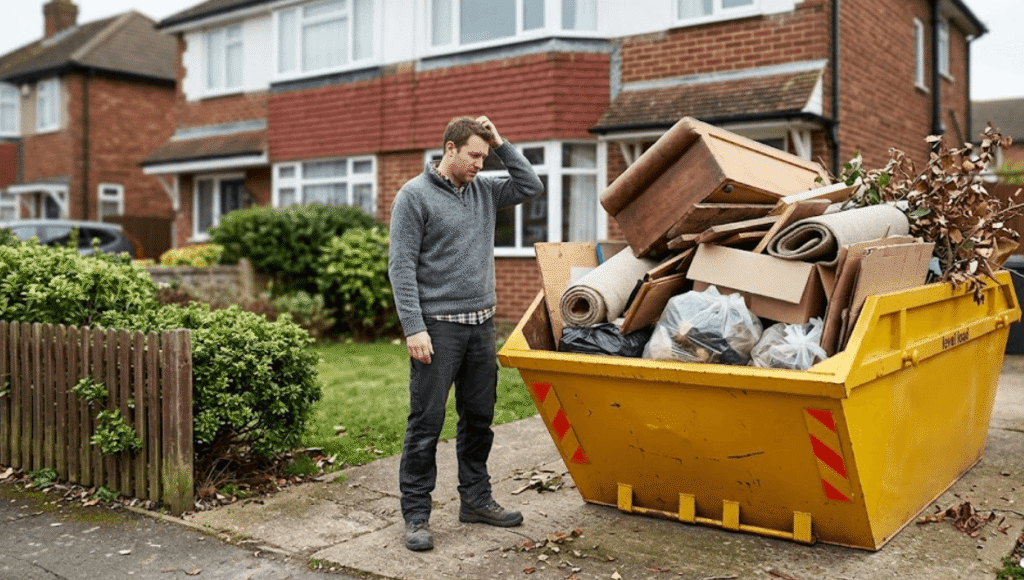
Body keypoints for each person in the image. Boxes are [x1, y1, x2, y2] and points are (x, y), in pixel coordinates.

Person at [388, 115, 544, 552]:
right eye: (474, 154)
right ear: (450, 148)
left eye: (484, 155)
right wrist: (414, 327)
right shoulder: (413, 197)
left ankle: (475, 500)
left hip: (481, 328)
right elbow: (400, 267)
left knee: (478, 420)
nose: (480, 163)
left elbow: (530, 185)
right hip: (438, 329)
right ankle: (416, 513)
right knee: (426, 423)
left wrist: (500, 142)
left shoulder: (486, 190)